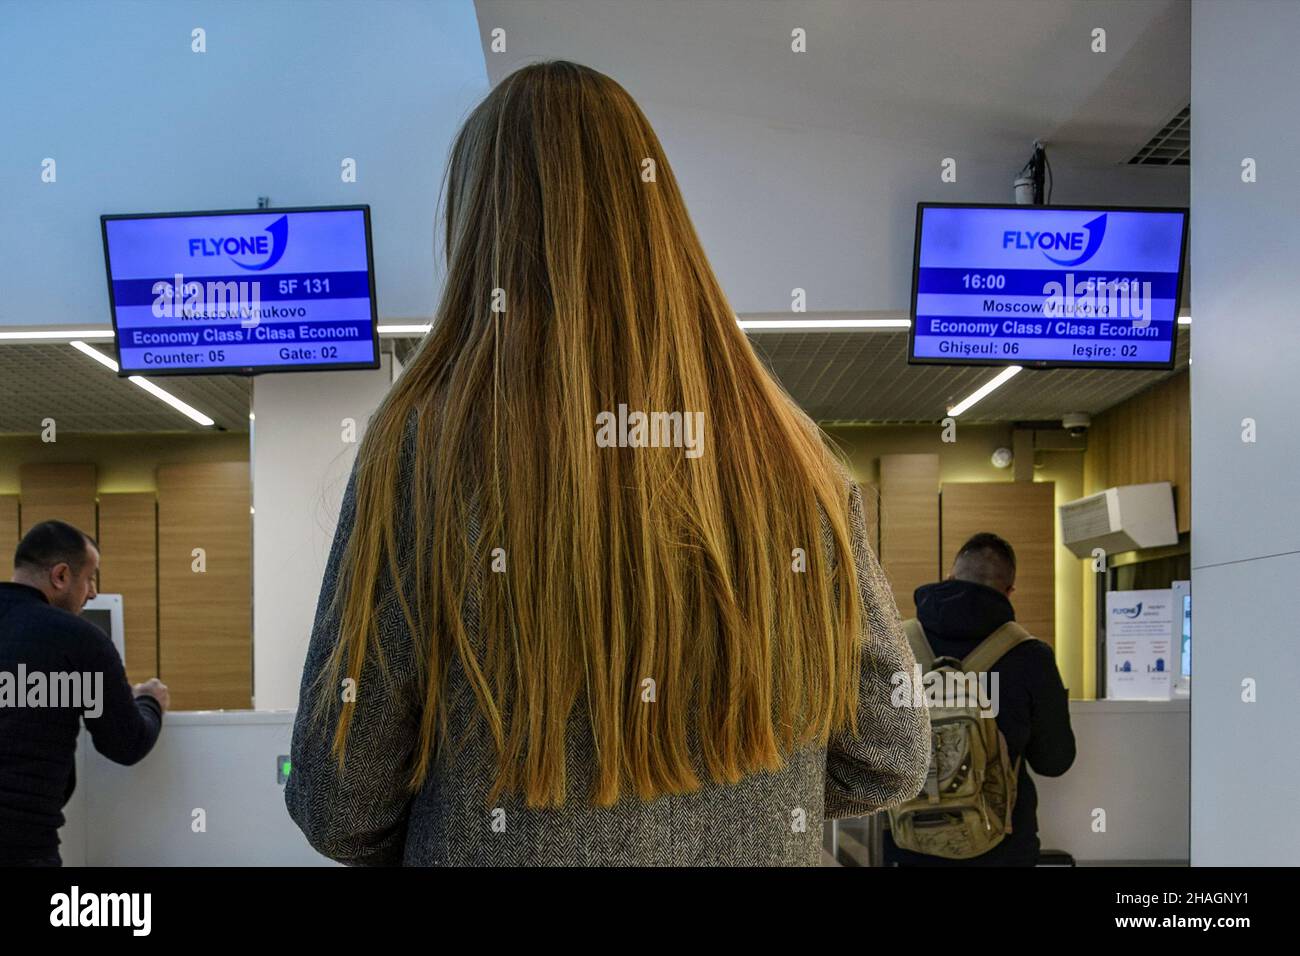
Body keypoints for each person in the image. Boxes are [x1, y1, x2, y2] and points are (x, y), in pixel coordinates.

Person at [286, 60, 931, 866]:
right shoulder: (795, 462)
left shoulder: (423, 453)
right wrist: (734, 810)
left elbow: (336, 802)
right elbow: (890, 756)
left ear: (480, 225)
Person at [884, 532, 1075, 866]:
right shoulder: (1031, 656)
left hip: (909, 845)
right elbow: (1054, 761)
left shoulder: (896, 644)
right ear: (1009, 591)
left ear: (950, 577)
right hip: (1000, 847)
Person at [0, 520, 168, 866]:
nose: (92, 592)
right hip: (23, 848)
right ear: (61, 576)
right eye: (90, 578)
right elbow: (126, 743)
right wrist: (150, 700)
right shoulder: (78, 639)